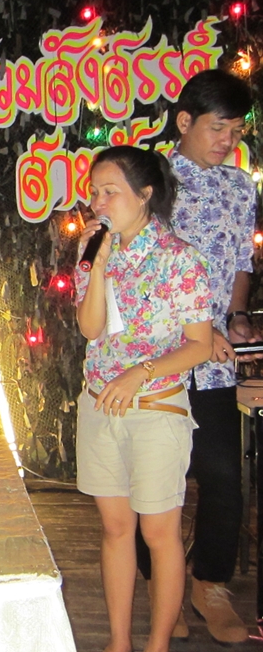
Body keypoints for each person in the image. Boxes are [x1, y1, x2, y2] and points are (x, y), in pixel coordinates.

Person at [133, 68, 257, 644]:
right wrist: (198, 329)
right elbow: (139, 267)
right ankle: (162, 584)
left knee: (223, 473)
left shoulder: (241, 186)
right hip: (157, 354)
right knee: (156, 478)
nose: (228, 140)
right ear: (184, 121)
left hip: (215, 359)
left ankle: (209, 582)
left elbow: (241, 263)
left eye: (237, 130)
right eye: (217, 127)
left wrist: (236, 315)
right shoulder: (149, 180)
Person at [76, 146, 213, 652]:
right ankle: (119, 641)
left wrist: (141, 372)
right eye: (95, 192)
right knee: (115, 529)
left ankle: (157, 646)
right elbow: (90, 329)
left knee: (159, 532)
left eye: (110, 192)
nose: (98, 203)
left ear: (144, 194)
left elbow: (199, 345)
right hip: (99, 403)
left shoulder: (180, 259)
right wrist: (97, 266)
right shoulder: (95, 250)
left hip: (156, 409)